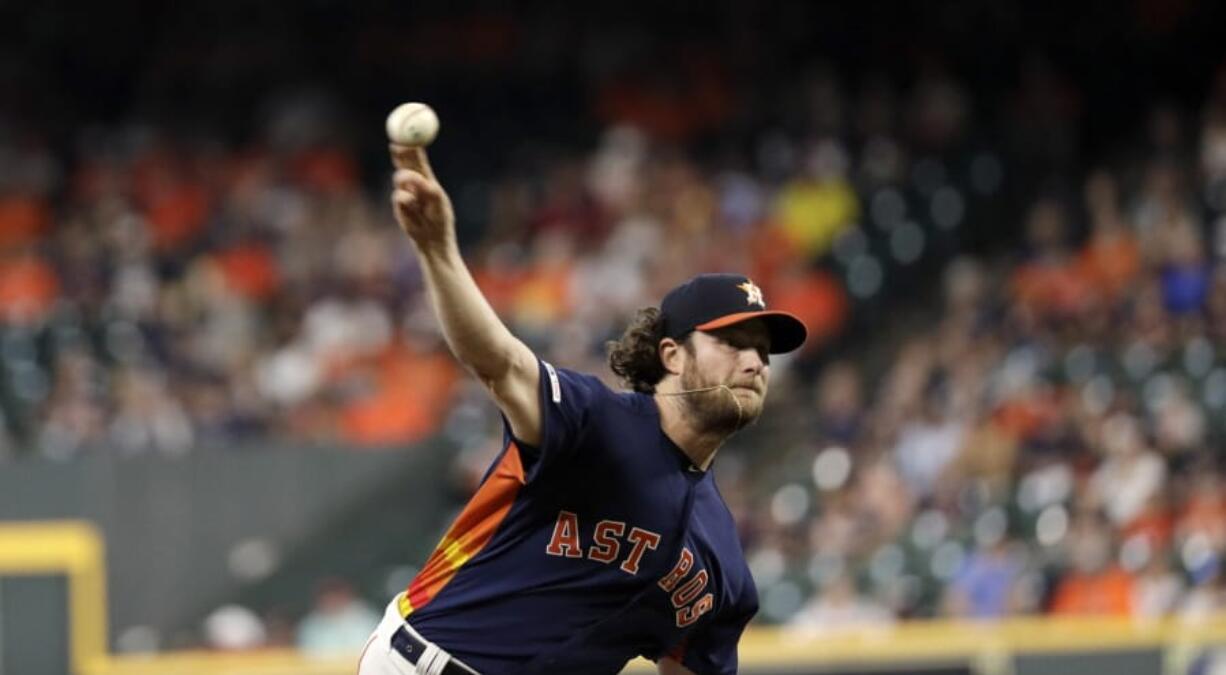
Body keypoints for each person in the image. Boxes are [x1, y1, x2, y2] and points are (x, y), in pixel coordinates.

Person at [357, 143, 807, 675]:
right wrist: (438, 253)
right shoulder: (596, 420)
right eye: (731, 343)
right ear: (671, 355)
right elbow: (499, 362)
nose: (754, 361)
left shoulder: (724, 563)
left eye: (762, 350)